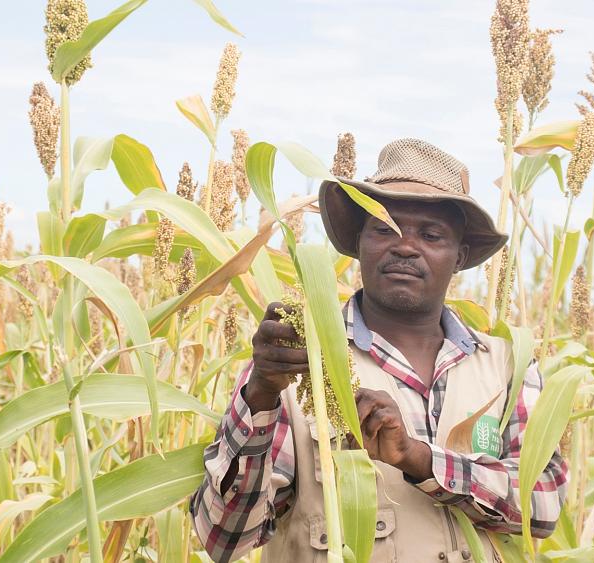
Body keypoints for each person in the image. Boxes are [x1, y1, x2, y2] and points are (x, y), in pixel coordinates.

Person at [191, 138, 567, 562]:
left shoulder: (508, 366)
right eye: (385, 229)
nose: (405, 246)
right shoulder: (296, 361)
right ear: (359, 242)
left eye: (431, 235)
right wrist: (260, 393)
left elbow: (543, 505)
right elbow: (224, 538)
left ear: (459, 256)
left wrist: (417, 458)